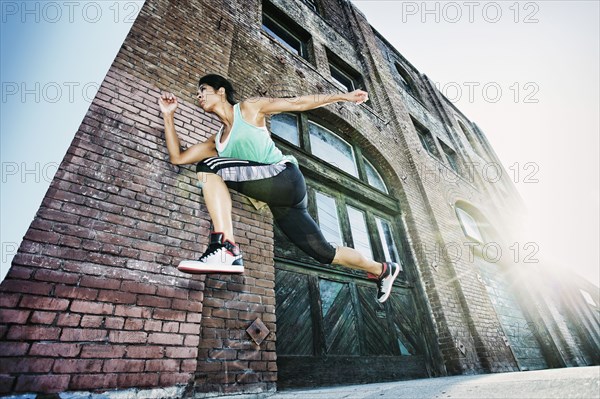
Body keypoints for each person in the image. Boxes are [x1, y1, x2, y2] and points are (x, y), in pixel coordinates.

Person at [158, 74, 401, 303]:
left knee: (208, 167)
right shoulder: (217, 141)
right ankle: (382, 269)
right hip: (283, 201)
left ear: (221, 91)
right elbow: (178, 157)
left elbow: (298, 103)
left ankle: (225, 247)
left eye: (203, 90)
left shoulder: (249, 108)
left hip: (285, 177)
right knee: (323, 252)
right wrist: (168, 116)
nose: (198, 95)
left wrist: (343, 96)